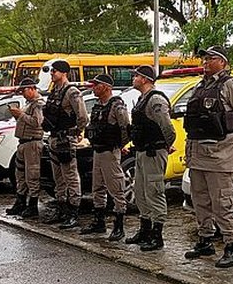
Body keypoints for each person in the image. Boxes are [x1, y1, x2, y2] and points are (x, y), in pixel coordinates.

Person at [183, 46, 233, 268]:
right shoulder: (200, 86)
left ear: (223, 62)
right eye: (204, 59)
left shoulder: (231, 86)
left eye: (211, 58)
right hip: (198, 154)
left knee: (222, 202)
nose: (206, 62)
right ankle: (205, 239)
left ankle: (231, 245)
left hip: (221, 155)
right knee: (201, 200)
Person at [126, 65, 176, 252]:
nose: (134, 79)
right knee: (140, 191)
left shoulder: (155, 100)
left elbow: (167, 128)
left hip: (153, 152)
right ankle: (145, 229)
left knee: (154, 192)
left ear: (145, 79)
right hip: (141, 151)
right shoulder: (142, 99)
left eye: (136, 76)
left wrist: (164, 144)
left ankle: (157, 234)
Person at [82, 74, 131, 240]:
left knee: (116, 187)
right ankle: (99, 221)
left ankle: (119, 225)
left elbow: (125, 128)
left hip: (110, 151)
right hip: (98, 150)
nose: (93, 88)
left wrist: (119, 145)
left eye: (97, 85)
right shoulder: (97, 106)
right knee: (97, 187)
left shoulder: (116, 105)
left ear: (107, 87)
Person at [41, 60, 88, 228]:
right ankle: (61, 209)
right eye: (51, 71)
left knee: (71, 177)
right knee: (58, 178)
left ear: (64, 72)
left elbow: (82, 116)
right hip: (54, 138)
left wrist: (76, 132)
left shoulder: (71, 92)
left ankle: (73, 212)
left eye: (55, 71)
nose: (52, 73)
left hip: (66, 140)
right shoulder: (55, 92)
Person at [7, 77, 44, 218]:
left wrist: (20, 115)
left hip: (32, 143)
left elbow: (36, 122)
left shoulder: (38, 105)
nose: (23, 93)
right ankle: (20, 201)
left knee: (32, 175)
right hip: (23, 142)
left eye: (25, 90)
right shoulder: (29, 104)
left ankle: (33, 205)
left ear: (33, 89)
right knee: (20, 174)